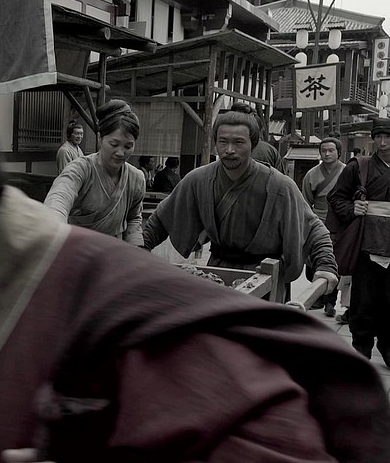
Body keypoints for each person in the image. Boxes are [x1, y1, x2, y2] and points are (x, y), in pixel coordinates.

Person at [0, 66, 390, 463]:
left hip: (223, 273)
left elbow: (282, 437)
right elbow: (132, 219)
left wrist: (322, 266)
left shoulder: (121, 306)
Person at [142, 104, 338, 303]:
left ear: (253, 144)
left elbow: (314, 229)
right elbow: (162, 218)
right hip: (217, 273)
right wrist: (140, 249)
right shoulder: (199, 179)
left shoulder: (280, 186)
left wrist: (325, 264)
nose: (229, 150)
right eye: (223, 142)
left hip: (266, 276)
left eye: (238, 142)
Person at [327, 117, 390, 365]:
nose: (383, 143)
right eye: (378, 137)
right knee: (363, 300)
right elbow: (336, 197)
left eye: (388, 137)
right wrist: (352, 208)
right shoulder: (359, 167)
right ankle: (361, 348)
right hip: (366, 244)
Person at [43, 100, 145, 245]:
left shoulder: (136, 178)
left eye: (128, 146)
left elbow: (134, 218)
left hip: (113, 251)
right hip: (76, 248)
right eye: (114, 144)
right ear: (100, 139)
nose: (120, 153)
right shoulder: (80, 169)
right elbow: (60, 195)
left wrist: (136, 249)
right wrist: (54, 225)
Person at [301, 137, 346, 317]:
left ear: (338, 152)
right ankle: (318, 296)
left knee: (334, 260)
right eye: (323, 150)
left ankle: (330, 301)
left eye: (331, 150)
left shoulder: (346, 172)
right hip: (317, 219)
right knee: (313, 260)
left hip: (339, 221)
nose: (327, 154)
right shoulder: (311, 174)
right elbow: (305, 201)